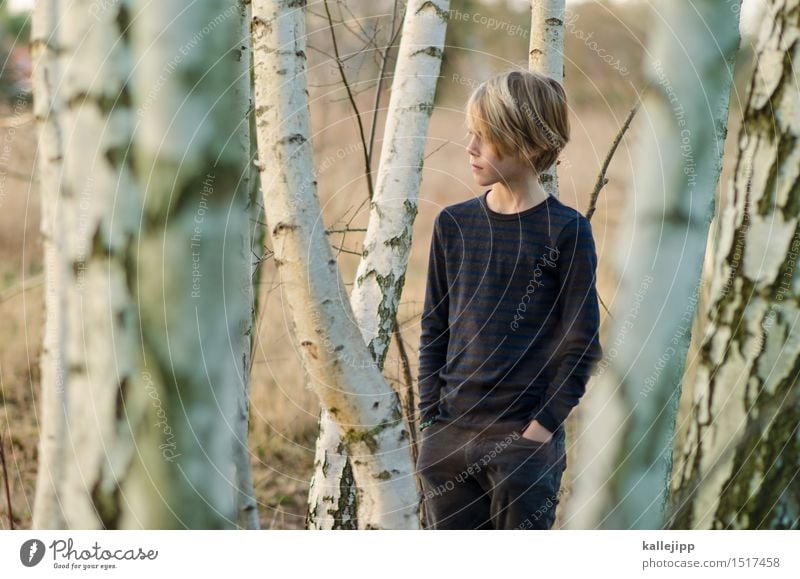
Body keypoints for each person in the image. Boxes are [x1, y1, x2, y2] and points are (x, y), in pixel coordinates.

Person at [415, 69, 603, 530]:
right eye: (471, 135)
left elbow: (582, 342)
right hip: (448, 443)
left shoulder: (566, 231)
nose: (470, 149)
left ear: (529, 145)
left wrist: (540, 430)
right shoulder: (454, 225)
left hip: (522, 448)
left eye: (485, 137)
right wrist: (431, 425)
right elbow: (434, 328)